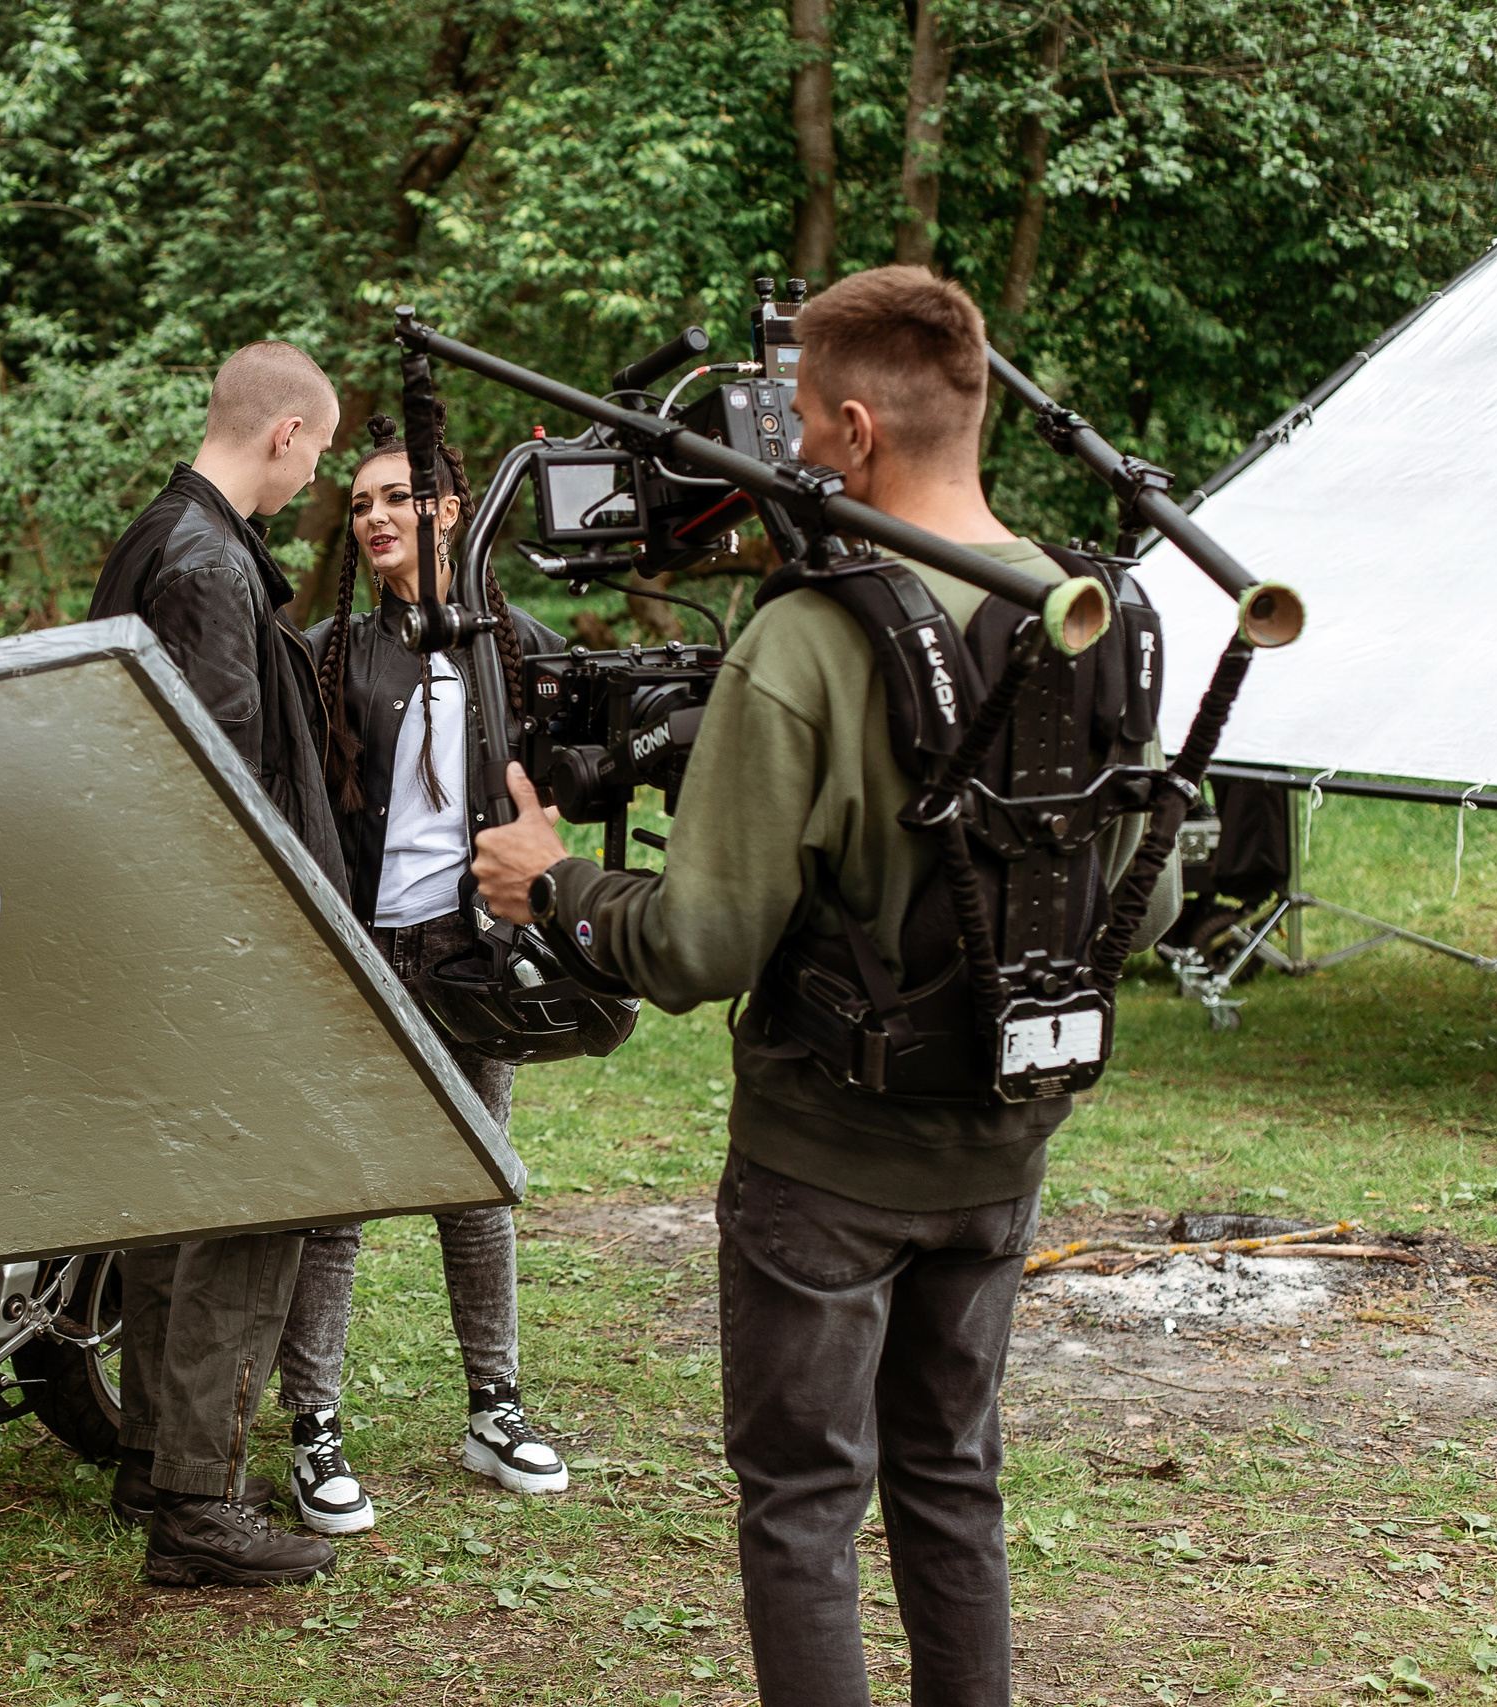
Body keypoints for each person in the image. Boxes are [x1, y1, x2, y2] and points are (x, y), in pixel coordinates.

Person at [469, 268, 1178, 1706]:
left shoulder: (804, 640)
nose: (787, 446)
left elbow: (702, 945)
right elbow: (1151, 890)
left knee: (802, 1502)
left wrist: (552, 881)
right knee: (952, 1473)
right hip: (1000, 1143)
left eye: (797, 418)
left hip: (823, 1165)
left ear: (854, 427)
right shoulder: (1089, 615)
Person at [276, 410, 573, 1536]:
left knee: (476, 1180)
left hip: (471, 955)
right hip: (362, 947)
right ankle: (313, 1424)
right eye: (357, 503)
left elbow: (560, 793)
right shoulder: (332, 650)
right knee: (338, 1197)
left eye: (396, 497)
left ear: (451, 510)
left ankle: (492, 1406)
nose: (373, 518)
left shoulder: (517, 642)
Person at [86, 340, 347, 1586]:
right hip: (224, 939)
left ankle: (155, 1461)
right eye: (322, 455)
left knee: (167, 1196)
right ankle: (196, 1508)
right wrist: (273, 949)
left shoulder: (161, 537)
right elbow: (220, 782)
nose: (315, 482)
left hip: (171, 935)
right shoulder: (203, 560)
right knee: (255, 1204)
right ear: (286, 434)